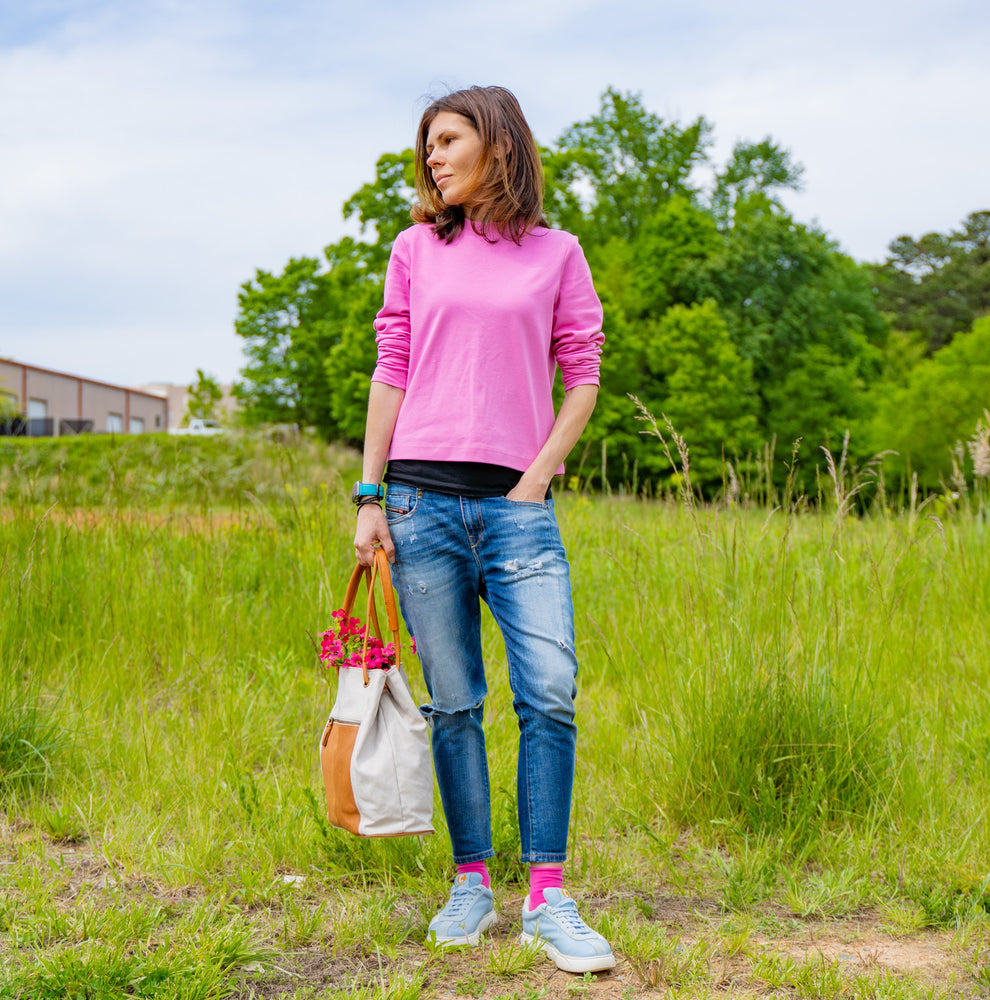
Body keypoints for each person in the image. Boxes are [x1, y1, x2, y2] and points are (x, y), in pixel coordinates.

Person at [352, 85, 614, 975]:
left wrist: (537, 477)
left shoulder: (558, 253)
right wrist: (368, 493)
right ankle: (471, 883)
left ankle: (547, 895)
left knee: (548, 691)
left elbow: (582, 375)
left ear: (496, 146)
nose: (432, 158)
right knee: (454, 704)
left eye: (448, 140)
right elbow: (392, 366)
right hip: (420, 508)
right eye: (427, 145)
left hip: (518, 511)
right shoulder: (415, 250)